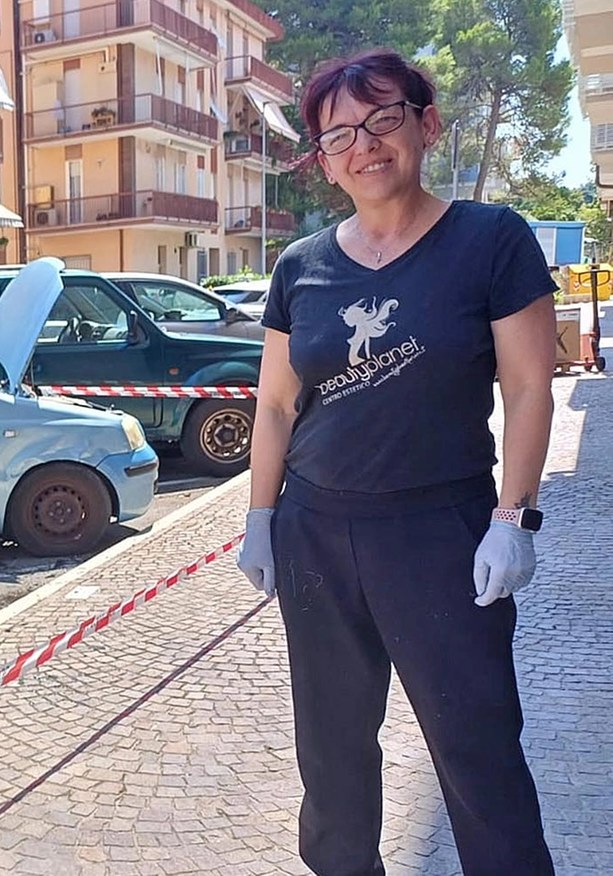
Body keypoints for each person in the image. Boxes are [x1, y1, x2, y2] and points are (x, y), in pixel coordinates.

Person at [234, 49, 558, 876]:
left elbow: (527, 390)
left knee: (477, 750)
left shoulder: (491, 240)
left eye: (383, 119)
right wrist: (260, 519)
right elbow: (274, 406)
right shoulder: (300, 266)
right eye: (338, 133)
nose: (364, 144)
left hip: (441, 534)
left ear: (426, 122)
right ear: (322, 157)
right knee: (334, 757)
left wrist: (512, 520)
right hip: (315, 533)